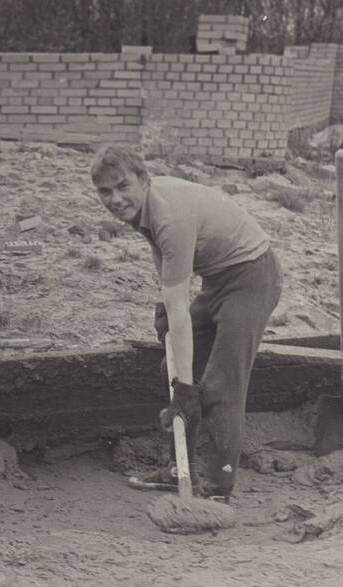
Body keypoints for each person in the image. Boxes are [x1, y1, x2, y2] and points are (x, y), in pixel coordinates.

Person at [90, 145, 282, 499]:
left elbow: (179, 311)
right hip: (218, 279)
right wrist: (180, 380)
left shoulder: (168, 216)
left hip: (251, 279)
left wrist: (185, 390)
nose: (115, 199)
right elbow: (166, 267)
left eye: (122, 186)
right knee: (173, 367)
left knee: (220, 386)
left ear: (144, 180)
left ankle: (217, 486)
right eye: (105, 191)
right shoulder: (146, 208)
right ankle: (180, 467)